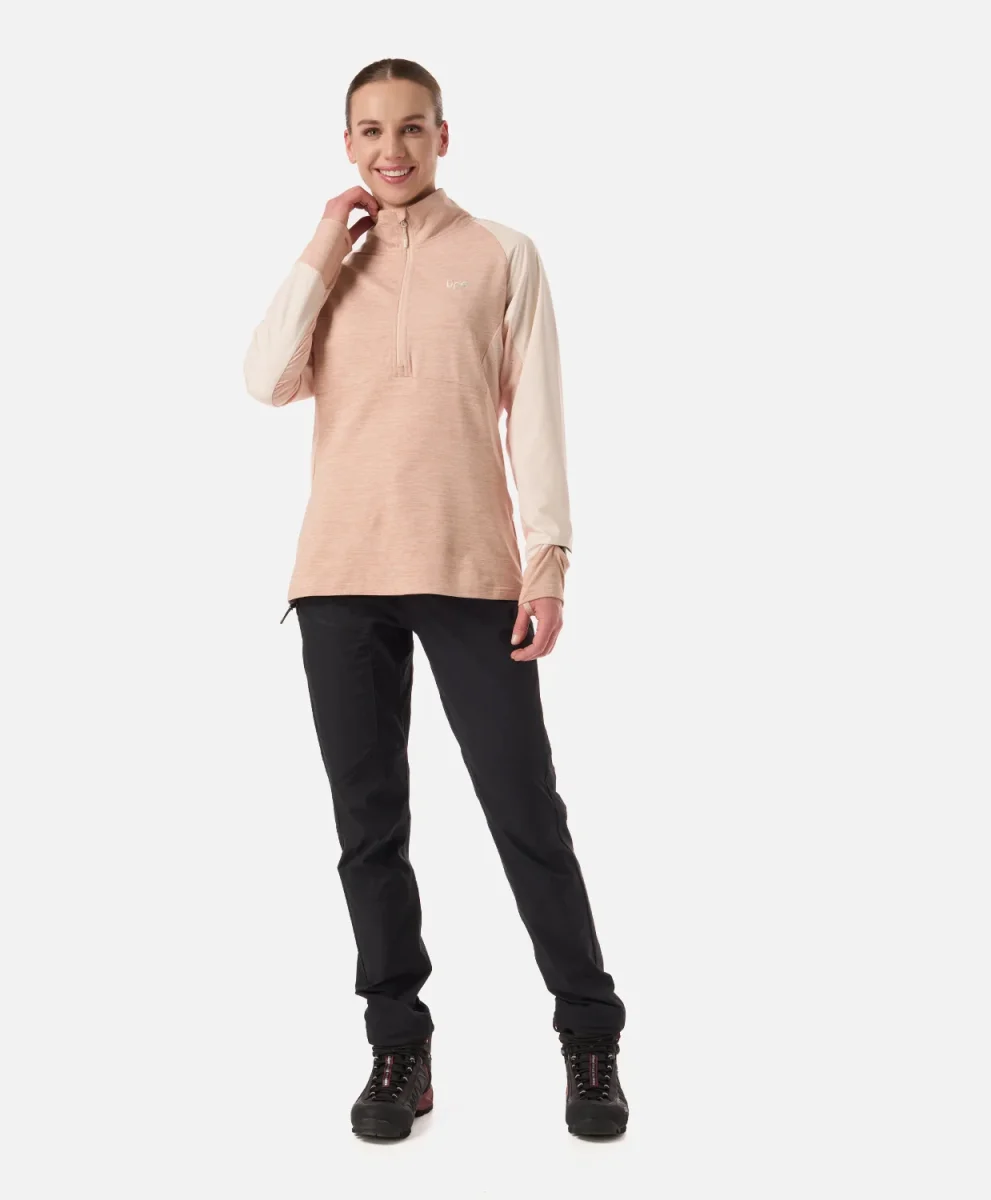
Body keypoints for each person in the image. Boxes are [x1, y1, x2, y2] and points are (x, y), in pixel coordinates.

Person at [243, 58, 628, 1140]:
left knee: (525, 812)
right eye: (370, 131)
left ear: (444, 137)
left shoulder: (503, 253)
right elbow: (266, 378)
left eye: (411, 128)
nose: (391, 149)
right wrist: (325, 242)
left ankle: (589, 1034)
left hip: (468, 571)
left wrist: (548, 562)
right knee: (368, 828)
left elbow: (535, 413)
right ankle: (397, 1049)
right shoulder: (334, 267)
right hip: (339, 576)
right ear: (347, 145)